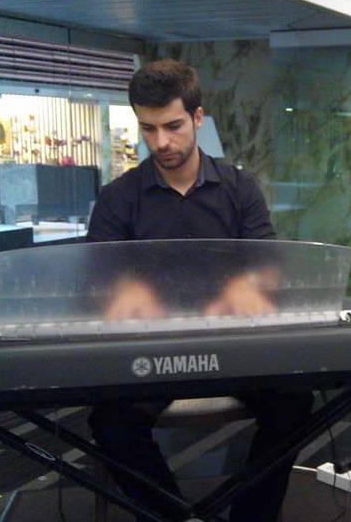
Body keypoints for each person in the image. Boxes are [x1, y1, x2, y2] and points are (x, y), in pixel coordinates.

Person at [86, 58, 313, 522]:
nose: (161, 142)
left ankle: (250, 517)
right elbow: (98, 276)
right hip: (150, 352)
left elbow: (265, 261)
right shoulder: (117, 198)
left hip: (230, 344)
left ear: (197, 118)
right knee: (111, 422)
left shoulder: (238, 187)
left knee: (295, 402)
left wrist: (251, 283)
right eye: (148, 129)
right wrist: (124, 290)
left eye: (172, 126)